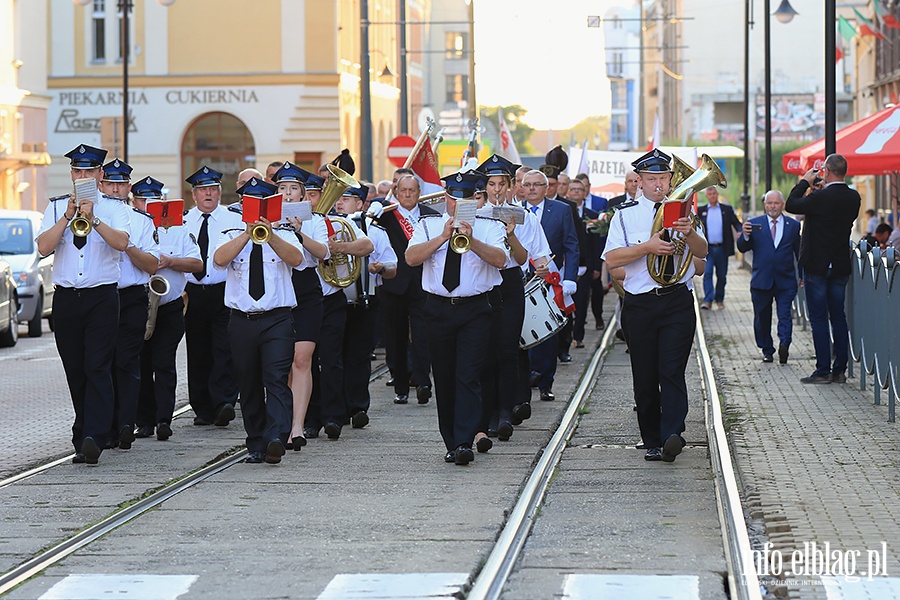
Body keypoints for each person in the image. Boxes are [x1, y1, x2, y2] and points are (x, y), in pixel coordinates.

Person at [602, 148, 708, 463]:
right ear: (640, 182)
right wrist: (647, 247)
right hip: (640, 303)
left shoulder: (684, 211)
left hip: (676, 299)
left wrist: (688, 235)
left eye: (663, 178)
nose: (658, 184)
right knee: (645, 374)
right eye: (652, 179)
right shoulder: (624, 214)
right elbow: (611, 260)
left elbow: (702, 254)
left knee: (672, 370)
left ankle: (672, 433)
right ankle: (652, 438)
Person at [36, 144, 131, 465]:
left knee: (97, 366)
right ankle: (84, 432)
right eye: (78, 171)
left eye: (89, 171)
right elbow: (43, 248)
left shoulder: (116, 208)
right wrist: (68, 216)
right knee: (75, 369)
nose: (83, 176)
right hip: (66, 298)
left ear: (101, 175)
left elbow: (122, 243)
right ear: (72, 175)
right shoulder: (56, 207)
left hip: (102, 296)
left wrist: (95, 219)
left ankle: (94, 435)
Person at [406, 170, 508, 465]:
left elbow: (501, 260)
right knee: (445, 375)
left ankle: (464, 440)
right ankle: (450, 440)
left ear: (476, 199)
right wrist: (443, 237)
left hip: (475, 309)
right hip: (437, 307)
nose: (459, 204)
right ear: (445, 198)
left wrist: (471, 240)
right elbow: (411, 258)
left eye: (466, 199)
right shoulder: (428, 224)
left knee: (468, 374)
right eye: (454, 198)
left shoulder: (489, 226)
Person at [213, 177, 303, 463]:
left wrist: (270, 233)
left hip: (277, 319)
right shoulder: (229, 231)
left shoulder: (285, 232)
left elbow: (297, 259)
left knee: (275, 379)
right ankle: (255, 443)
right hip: (241, 320)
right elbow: (218, 260)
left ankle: (276, 437)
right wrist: (246, 234)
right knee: (248, 382)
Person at [475, 155, 550, 445]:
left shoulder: (524, 216)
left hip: (510, 283)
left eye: (501, 184)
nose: (496, 190)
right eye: (491, 184)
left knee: (507, 350)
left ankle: (505, 412)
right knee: (486, 352)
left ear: (510, 187)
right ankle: (489, 412)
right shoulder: (477, 215)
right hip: (483, 283)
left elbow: (536, 253)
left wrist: (543, 265)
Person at [134, 177, 203, 441]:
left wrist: (171, 261)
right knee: (140, 363)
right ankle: (144, 421)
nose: (149, 205)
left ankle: (164, 419)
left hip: (170, 306)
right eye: (144, 201)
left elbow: (197, 264)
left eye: (154, 201)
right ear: (136, 202)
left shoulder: (179, 229)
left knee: (163, 363)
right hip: (140, 306)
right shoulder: (132, 227)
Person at [785, 154, 861, 384]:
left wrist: (805, 183)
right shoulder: (853, 197)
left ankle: (823, 369)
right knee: (839, 316)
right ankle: (840, 370)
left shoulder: (819, 198)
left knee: (818, 318)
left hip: (817, 265)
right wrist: (819, 191)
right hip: (839, 265)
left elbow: (791, 204)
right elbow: (831, 209)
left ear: (826, 171)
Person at [103, 159, 160, 451]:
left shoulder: (141, 220)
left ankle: (126, 424)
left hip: (131, 296)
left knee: (126, 361)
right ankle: (105, 426)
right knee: (101, 363)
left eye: (120, 183)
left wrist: (127, 245)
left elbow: (152, 264)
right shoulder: (93, 214)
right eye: (110, 183)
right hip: (101, 297)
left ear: (128, 187)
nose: (115, 189)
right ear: (101, 184)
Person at [271, 162, 329, 447]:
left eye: (294, 189)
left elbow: (322, 253)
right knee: (280, 362)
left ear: (304, 195)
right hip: (278, 287)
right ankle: (280, 421)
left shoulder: (315, 220)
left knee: (302, 359)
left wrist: (299, 233)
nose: (288, 194)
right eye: (282, 188)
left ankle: (297, 426)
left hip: (305, 289)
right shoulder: (267, 219)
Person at [368, 174, 438, 404]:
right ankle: (400, 386)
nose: (408, 195)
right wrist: (377, 204)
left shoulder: (431, 215)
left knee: (423, 335)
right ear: (397, 193)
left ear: (419, 192)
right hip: (393, 282)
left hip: (423, 282)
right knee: (395, 337)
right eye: (403, 190)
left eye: (412, 190)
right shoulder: (387, 216)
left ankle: (423, 382)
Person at [312, 185, 374, 440]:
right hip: (302, 300)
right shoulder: (293, 225)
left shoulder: (337, 223)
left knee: (331, 359)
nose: (311, 200)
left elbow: (366, 245)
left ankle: (334, 416)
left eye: (315, 195)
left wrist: (338, 248)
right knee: (304, 363)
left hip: (330, 297)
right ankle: (310, 418)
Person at [183, 165, 243, 427]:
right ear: (194, 195)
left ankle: (224, 402)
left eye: (212, 189)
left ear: (220, 193)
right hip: (192, 292)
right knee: (197, 350)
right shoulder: (183, 220)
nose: (207, 194)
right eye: (202, 190)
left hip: (222, 289)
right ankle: (202, 407)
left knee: (224, 347)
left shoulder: (233, 219)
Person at [335, 186, 397, 429]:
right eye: (338, 198)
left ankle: (358, 406)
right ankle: (336, 409)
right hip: (335, 301)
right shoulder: (326, 228)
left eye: (346, 199)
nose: (339, 203)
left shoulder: (374, 231)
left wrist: (380, 268)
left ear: (360, 205)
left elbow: (393, 268)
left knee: (359, 357)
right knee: (333, 357)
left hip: (365, 301)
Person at [521, 169, 579, 402]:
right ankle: (525, 379)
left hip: (550, 279)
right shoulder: (514, 211)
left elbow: (571, 246)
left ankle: (546, 382)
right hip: (522, 278)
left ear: (547, 188)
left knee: (548, 331)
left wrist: (570, 279)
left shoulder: (562, 210)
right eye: (528, 185)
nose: (532, 189)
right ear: (521, 188)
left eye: (537, 185)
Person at [736, 191, 801, 364]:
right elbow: (742, 248)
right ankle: (767, 349)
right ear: (765, 205)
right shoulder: (754, 224)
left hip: (785, 280)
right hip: (761, 280)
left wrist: (801, 275)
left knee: (785, 314)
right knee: (762, 317)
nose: (772, 206)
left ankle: (785, 344)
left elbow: (799, 253)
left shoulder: (793, 226)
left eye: (776, 203)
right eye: (769, 203)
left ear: (783, 204)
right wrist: (746, 235)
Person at [563, 178, 601, 349]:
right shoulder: (563, 211)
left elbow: (595, 243)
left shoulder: (591, 214)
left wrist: (595, 267)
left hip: (585, 265)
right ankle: (566, 336)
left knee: (581, 302)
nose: (577, 192)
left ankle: (579, 336)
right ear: (568, 192)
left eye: (580, 189)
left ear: (585, 193)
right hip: (566, 264)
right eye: (573, 189)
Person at [697, 186, 741, 310]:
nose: (712, 196)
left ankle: (720, 299)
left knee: (722, 275)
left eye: (714, 193)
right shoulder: (701, 211)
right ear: (706, 196)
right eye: (710, 194)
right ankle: (708, 300)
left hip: (722, 248)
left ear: (717, 194)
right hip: (708, 249)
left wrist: (740, 231)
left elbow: (736, 223)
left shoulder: (726, 209)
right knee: (708, 273)